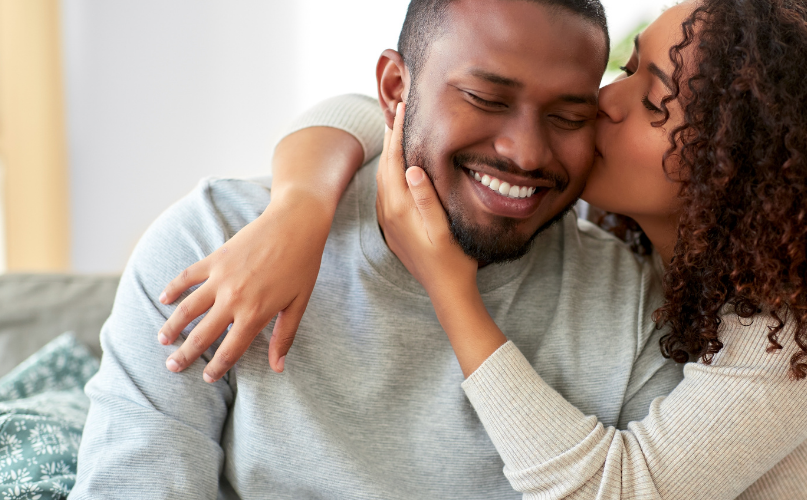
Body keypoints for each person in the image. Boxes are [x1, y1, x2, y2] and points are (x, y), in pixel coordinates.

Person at [158, 0, 807, 498]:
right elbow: (379, 108)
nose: (604, 103)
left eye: (653, 100)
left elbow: (614, 489)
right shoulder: (649, 246)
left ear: (738, 169)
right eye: (629, 68)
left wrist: (451, 289)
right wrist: (298, 212)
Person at [69, 1, 684, 499]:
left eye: (568, 116)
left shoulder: (635, 313)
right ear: (395, 88)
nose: (526, 153)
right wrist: (302, 204)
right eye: (486, 99)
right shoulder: (215, 242)